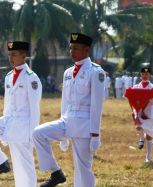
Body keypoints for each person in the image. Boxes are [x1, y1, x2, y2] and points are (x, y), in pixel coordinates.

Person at [33, 33, 105, 187]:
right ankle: (55, 172)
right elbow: (65, 101)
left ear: (86, 50)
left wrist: (95, 135)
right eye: (71, 48)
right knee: (38, 133)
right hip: (66, 121)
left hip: (84, 126)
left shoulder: (95, 71)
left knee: (83, 169)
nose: (72, 52)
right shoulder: (67, 72)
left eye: (76, 48)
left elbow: (97, 105)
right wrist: (63, 131)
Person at [0, 41, 42, 187]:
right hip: (8, 122)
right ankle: (0, 162)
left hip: (24, 127)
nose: (11, 58)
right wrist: (4, 129)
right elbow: (7, 104)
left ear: (24, 55)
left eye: (14, 54)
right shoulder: (9, 76)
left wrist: (32, 135)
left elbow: (35, 108)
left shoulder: (31, 78)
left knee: (24, 166)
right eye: (9, 54)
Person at [131, 64, 153, 162]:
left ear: (149, 75)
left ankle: (148, 157)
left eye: (147, 74)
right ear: (140, 75)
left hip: (149, 111)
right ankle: (141, 139)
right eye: (143, 74)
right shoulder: (136, 86)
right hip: (139, 111)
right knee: (138, 126)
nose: (145, 76)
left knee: (148, 135)